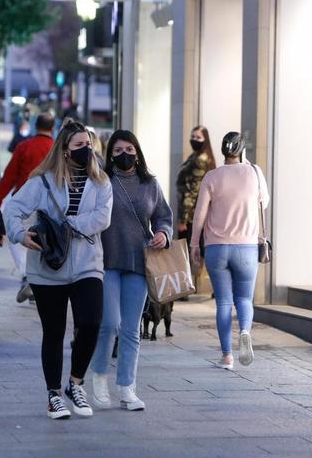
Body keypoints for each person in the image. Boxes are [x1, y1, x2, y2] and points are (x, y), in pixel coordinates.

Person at [4, 119, 112, 419]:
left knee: (91, 323)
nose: (86, 150)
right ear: (64, 150)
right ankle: (53, 394)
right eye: (78, 146)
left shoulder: (101, 181)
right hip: (48, 266)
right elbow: (14, 208)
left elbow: (102, 218)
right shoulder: (43, 181)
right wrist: (19, 234)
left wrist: (66, 227)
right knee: (53, 331)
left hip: (88, 264)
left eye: (88, 145)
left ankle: (75, 383)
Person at [90, 130, 172, 411]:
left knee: (131, 329)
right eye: (117, 150)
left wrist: (163, 233)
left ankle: (127, 388)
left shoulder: (150, 184)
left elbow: (164, 216)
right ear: (110, 154)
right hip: (107, 263)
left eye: (129, 149)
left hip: (139, 264)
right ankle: (99, 378)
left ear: (137, 151)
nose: (124, 154)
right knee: (109, 323)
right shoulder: (102, 181)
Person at [191, 132, 268, 370]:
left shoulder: (212, 176)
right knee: (244, 298)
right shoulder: (255, 172)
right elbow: (264, 203)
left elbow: (200, 213)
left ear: (224, 151)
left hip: (216, 248)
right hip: (246, 247)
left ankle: (226, 356)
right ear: (242, 150)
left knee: (223, 303)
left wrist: (195, 244)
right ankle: (244, 331)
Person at [0, 113, 55, 303]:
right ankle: (37, 280)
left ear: (34, 126)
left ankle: (26, 275)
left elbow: (9, 177)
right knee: (42, 243)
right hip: (49, 205)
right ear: (52, 128)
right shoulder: (56, 149)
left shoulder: (24, 147)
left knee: (17, 238)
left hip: (24, 203)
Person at [176, 126, 216, 249]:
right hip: (201, 215)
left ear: (205, 140)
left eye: (198, 137)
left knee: (188, 254)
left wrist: (183, 220)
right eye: (193, 136)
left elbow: (192, 192)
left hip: (192, 217)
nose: (194, 139)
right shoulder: (201, 157)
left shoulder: (199, 160)